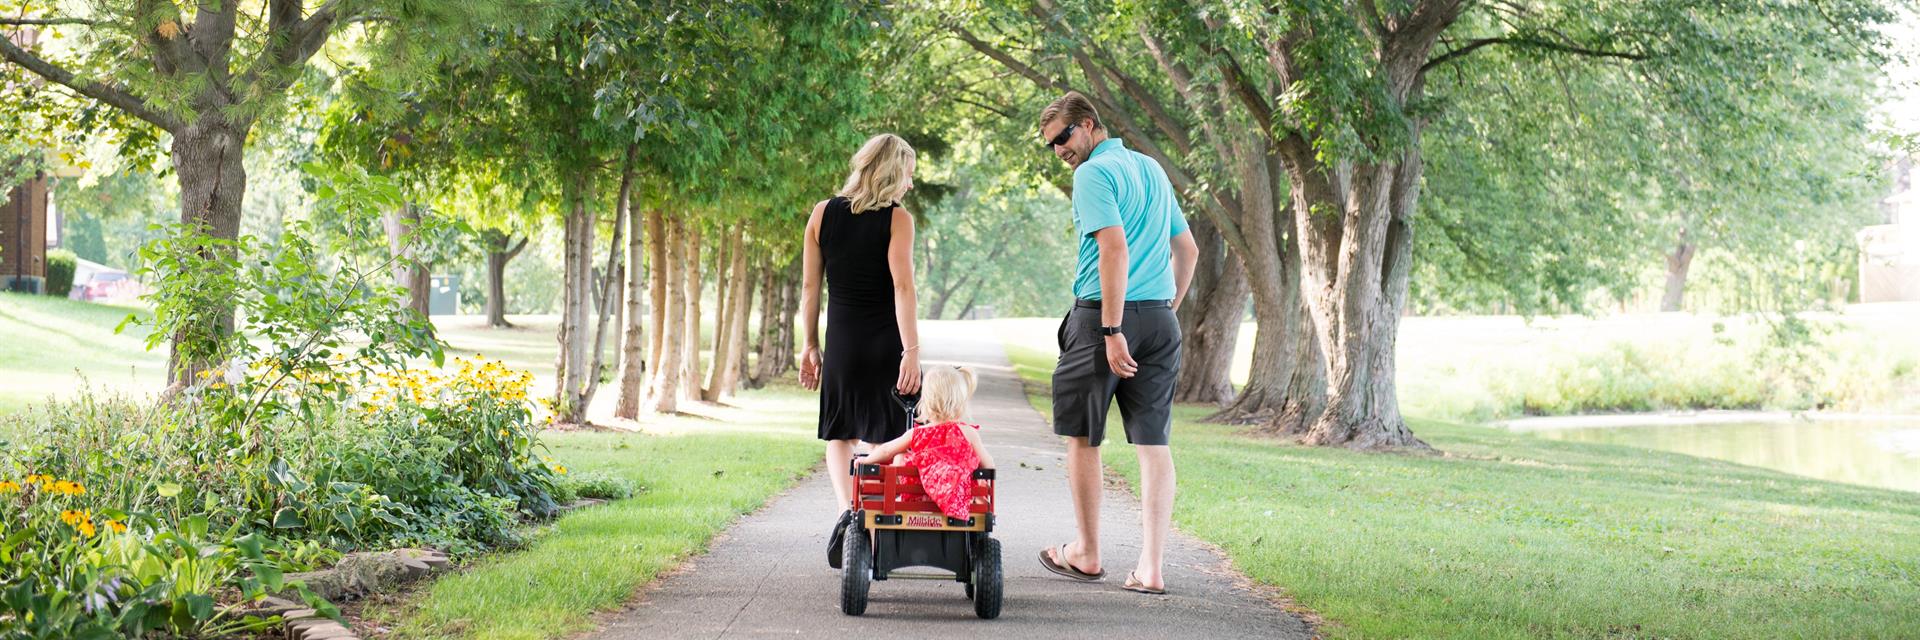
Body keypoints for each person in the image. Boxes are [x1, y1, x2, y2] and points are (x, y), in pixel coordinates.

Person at [1034, 92, 1198, 595]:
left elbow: (1113, 247)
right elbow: (1186, 250)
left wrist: (1111, 328)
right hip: (1158, 320)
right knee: (1153, 443)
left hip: (1101, 320)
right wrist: (1164, 312)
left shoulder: (1092, 175)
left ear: (1088, 125)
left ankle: (1086, 552)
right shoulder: (1150, 168)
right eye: (1050, 145)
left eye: (1063, 137)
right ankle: (1151, 569)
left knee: (1083, 436)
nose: (1059, 150)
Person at [799, 133, 924, 568]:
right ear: (893, 174)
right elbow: (903, 287)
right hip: (885, 341)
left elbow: (810, 288)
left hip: (843, 342)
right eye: (907, 175)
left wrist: (810, 344)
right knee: (886, 434)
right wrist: (911, 350)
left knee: (840, 430)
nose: (909, 185)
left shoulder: (821, 214)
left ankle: (844, 510)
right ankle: (872, 514)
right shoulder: (897, 219)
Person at [859, 366, 996, 521]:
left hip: (917, 497)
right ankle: (976, 502)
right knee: (970, 465)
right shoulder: (968, 433)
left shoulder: (917, 433)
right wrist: (981, 477)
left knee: (901, 454)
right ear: (961, 403)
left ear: (926, 402)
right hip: (955, 497)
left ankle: (898, 496)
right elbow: (988, 463)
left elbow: (886, 450)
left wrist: (866, 461)